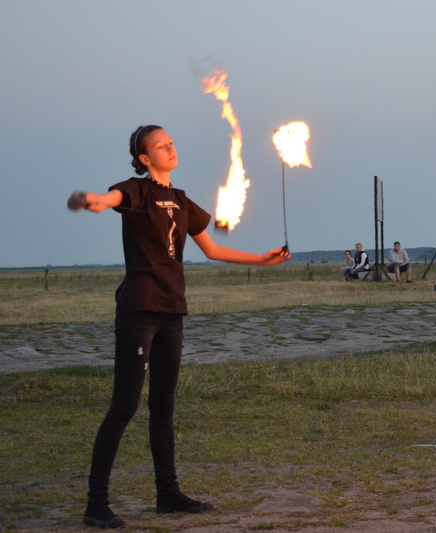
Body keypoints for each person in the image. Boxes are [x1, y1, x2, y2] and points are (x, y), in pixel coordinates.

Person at [67, 125, 291, 529]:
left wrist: (262, 260)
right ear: (144, 158)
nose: (170, 147)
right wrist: (93, 201)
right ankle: (95, 503)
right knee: (124, 406)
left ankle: (167, 493)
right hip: (140, 308)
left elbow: (213, 248)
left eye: (171, 141)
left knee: (163, 408)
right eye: (160, 145)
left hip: (173, 310)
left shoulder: (182, 200)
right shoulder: (136, 190)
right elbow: (110, 199)